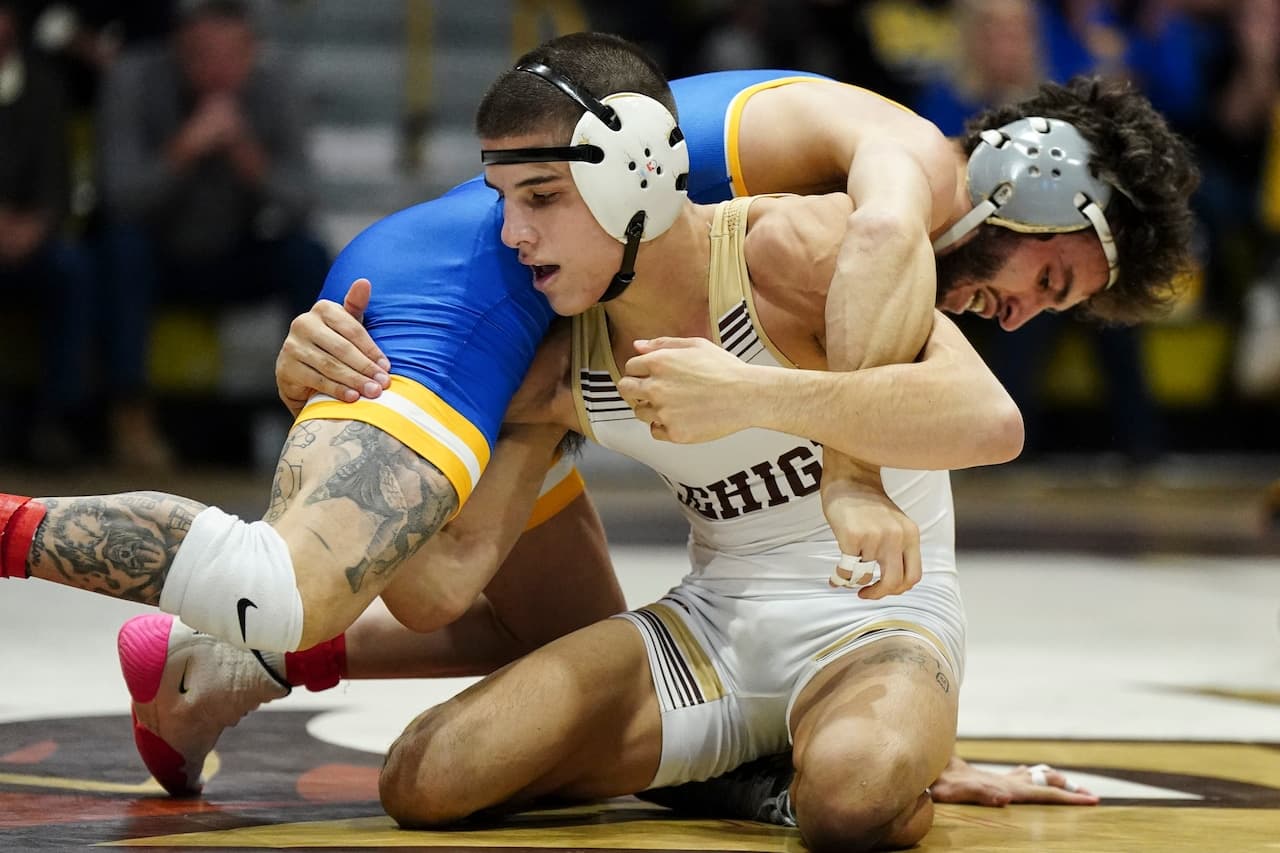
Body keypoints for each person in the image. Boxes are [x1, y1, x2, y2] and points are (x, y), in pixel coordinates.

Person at [95, 0, 328, 468]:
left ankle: (314, 413)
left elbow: (301, 199)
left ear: (252, 52)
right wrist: (185, 147)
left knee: (308, 254)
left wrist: (246, 155)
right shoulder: (136, 80)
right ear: (178, 51)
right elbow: (118, 198)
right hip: (158, 251)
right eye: (202, 55)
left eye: (231, 56)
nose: (217, 69)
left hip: (235, 249)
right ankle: (129, 413)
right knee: (120, 249)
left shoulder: (274, 88)